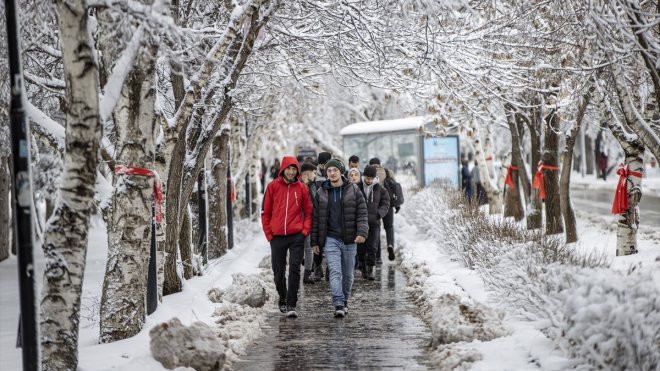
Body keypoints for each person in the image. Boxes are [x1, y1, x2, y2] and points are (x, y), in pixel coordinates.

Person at [311, 158, 368, 318]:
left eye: (335, 170)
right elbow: (316, 218)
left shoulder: (354, 190)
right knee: (335, 271)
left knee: (348, 273)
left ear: (340, 171)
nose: (332, 173)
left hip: (350, 239)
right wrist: (314, 241)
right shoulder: (321, 192)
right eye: (329, 171)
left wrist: (362, 232)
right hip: (331, 239)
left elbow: (362, 213)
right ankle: (338, 303)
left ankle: (345, 300)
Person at [261, 156, 312, 319]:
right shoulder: (272, 187)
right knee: (278, 271)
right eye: (288, 169)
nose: (291, 172)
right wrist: (269, 234)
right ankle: (282, 296)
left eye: (294, 169)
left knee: (295, 268)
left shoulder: (302, 188)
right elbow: (265, 212)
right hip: (277, 237)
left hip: (296, 235)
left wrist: (304, 231)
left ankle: (291, 304)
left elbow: (309, 212)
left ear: (297, 170)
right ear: (283, 169)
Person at [357, 165, 390, 280]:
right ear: (364, 176)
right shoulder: (357, 187)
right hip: (360, 223)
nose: (369, 180)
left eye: (371, 178)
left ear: (375, 177)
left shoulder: (380, 189)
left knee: (372, 246)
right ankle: (362, 266)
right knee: (360, 246)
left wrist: (379, 213)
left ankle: (370, 268)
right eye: (367, 177)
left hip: (374, 223)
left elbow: (386, 202)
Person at [369, 157, 402, 262]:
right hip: (388, 204)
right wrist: (397, 204)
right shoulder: (388, 172)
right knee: (389, 227)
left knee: (376, 228)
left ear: (370, 164)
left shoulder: (369, 172)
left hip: (375, 205)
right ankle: (390, 245)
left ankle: (378, 256)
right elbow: (395, 188)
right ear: (380, 164)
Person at [313, 151, 332, 281]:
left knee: (331, 241)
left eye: (325, 164)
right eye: (321, 164)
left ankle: (330, 268)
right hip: (318, 210)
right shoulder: (315, 176)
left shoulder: (334, 173)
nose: (323, 166)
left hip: (332, 211)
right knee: (318, 241)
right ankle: (318, 266)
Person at [300, 162, 318, 284]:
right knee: (303, 248)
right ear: (308, 173)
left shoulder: (312, 185)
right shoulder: (300, 186)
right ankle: (304, 273)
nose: (315, 175)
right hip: (299, 220)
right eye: (314, 173)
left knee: (308, 248)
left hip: (309, 219)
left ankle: (307, 274)